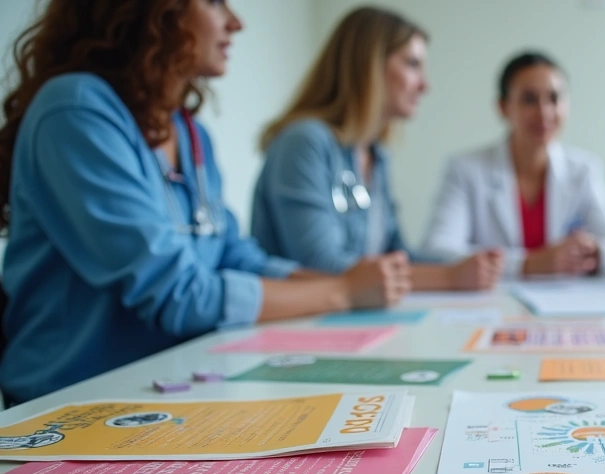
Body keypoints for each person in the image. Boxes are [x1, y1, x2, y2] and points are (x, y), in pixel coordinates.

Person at [0, 0, 410, 404]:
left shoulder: (189, 131)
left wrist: (345, 284)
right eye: (214, 3)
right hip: (68, 407)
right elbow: (178, 293)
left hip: (172, 384)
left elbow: (234, 255)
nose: (236, 22)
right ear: (150, 9)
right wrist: (342, 292)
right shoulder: (75, 110)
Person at [252, 6, 502, 290]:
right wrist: (448, 278)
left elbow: (396, 253)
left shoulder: (376, 155)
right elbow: (321, 264)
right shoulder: (304, 142)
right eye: (412, 64)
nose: (425, 84)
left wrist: (464, 264)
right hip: (300, 325)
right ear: (368, 65)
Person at [421, 52, 605, 278]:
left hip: (565, 304)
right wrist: (527, 264)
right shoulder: (465, 170)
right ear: (503, 107)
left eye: (554, 98)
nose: (544, 112)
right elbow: (437, 252)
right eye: (529, 99)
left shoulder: (584, 169)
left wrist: (597, 254)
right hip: (493, 304)